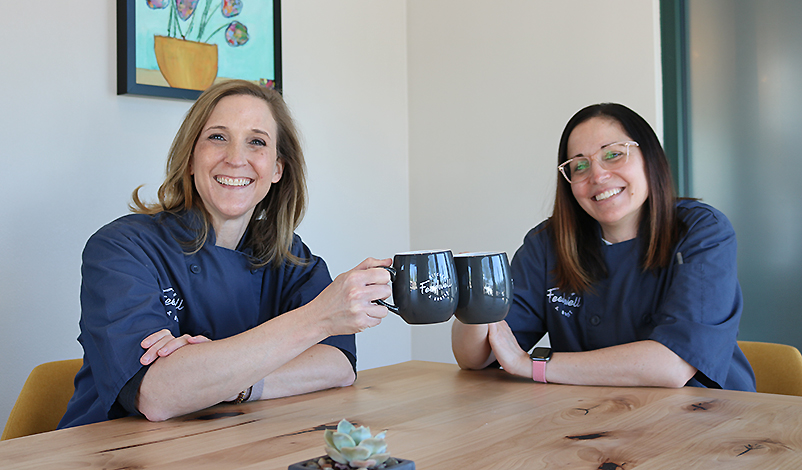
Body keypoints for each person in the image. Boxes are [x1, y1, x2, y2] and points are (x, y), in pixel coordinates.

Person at [59, 80, 393, 428]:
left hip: (227, 444)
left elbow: (337, 365)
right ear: (190, 157)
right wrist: (319, 316)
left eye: (257, 142)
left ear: (277, 168)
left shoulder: (289, 256)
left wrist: (223, 381)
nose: (235, 158)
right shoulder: (121, 248)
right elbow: (157, 395)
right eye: (218, 137)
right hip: (109, 452)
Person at [451, 103, 756, 391]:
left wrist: (533, 365)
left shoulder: (701, 231)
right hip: (592, 419)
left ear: (650, 157)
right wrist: (475, 295)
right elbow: (475, 358)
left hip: (708, 420)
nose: (597, 175)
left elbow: (673, 365)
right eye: (580, 166)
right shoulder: (547, 244)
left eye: (613, 155)